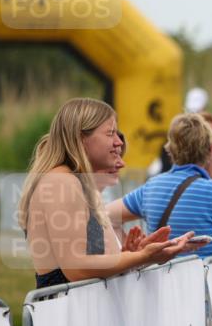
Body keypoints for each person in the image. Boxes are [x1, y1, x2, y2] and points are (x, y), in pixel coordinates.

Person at [19, 98, 194, 289]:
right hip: (66, 306)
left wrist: (133, 255)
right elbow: (76, 268)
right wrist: (141, 256)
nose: (118, 142)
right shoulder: (62, 182)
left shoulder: (77, 183)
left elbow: (92, 262)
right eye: (110, 133)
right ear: (81, 138)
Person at [109, 112, 212, 266]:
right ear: (210, 150)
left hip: (162, 282)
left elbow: (105, 216)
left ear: (170, 149)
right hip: (205, 282)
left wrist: (134, 254)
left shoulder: (151, 187)